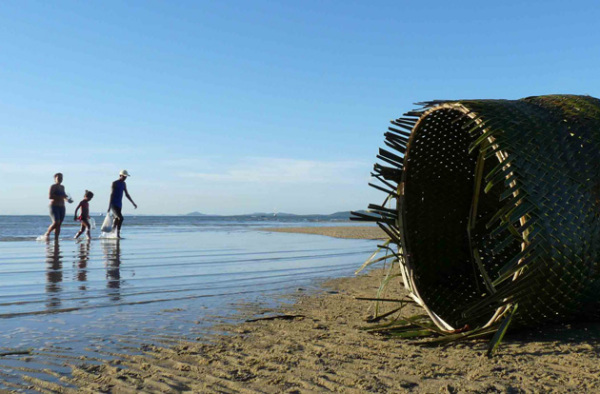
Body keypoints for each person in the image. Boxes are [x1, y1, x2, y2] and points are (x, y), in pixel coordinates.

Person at [43, 173, 73, 241]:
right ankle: (47, 233)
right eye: (58, 178)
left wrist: (67, 200)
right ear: (55, 179)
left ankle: (56, 239)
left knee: (59, 224)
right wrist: (60, 197)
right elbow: (50, 196)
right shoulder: (53, 186)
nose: (60, 179)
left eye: (61, 178)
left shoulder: (62, 187)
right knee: (56, 222)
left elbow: (64, 196)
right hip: (54, 206)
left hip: (62, 207)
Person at [107, 170, 137, 238]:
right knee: (120, 218)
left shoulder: (124, 184)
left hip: (119, 205)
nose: (125, 178)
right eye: (124, 176)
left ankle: (112, 233)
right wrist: (109, 207)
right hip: (113, 204)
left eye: (126, 177)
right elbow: (111, 194)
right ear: (120, 175)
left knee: (117, 219)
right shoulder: (114, 183)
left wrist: (133, 203)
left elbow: (127, 194)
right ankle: (117, 234)